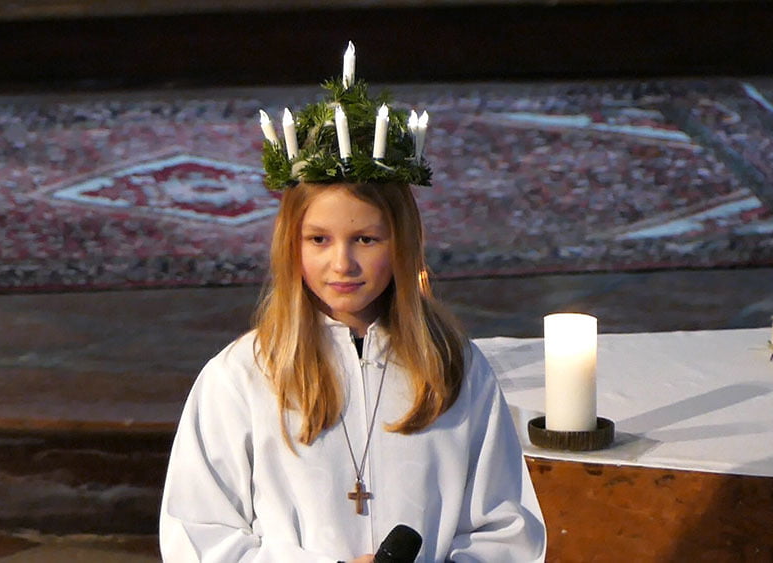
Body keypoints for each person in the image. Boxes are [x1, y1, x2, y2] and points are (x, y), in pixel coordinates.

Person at [160, 44, 546, 562]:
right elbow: (199, 536)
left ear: (402, 245)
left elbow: (505, 530)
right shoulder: (242, 377)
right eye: (318, 240)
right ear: (291, 246)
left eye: (365, 239)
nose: (342, 264)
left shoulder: (455, 369)